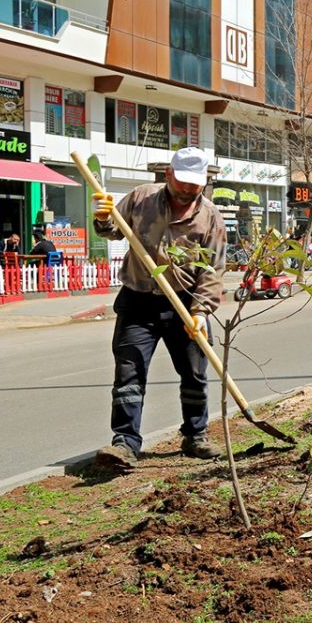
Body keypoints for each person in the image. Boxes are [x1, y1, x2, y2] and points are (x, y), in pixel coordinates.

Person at [91, 147, 227, 469]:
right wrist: (101, 216)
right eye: (181, 183)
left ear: (204, 182)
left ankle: (196, 436)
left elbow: (212, 270)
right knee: (129, 372)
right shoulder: (141, 198)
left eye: (194, 185)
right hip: (138, 300)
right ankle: (124, 444)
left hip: (185, 302)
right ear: (168, 174)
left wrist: (201, 311)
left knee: (194, 373)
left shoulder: (210, 218)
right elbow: (112, 229)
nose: (187, 190)